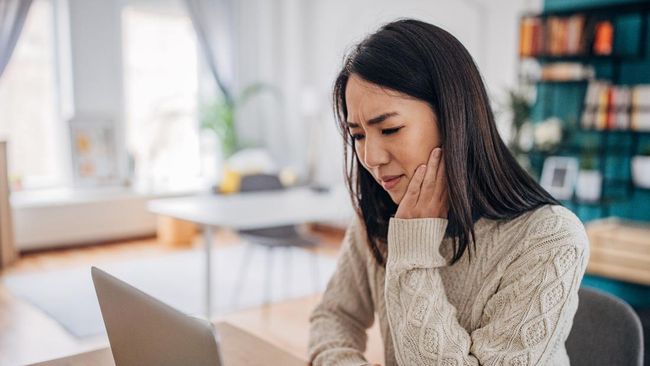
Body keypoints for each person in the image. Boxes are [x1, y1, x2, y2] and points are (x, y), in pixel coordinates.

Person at [308, 19, 589, 366]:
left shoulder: (550, 239)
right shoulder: (380, 216)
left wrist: (413, 252)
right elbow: (333, 316)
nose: (370, 158)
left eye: (390, 128)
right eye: (358, 135)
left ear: (454, 119)